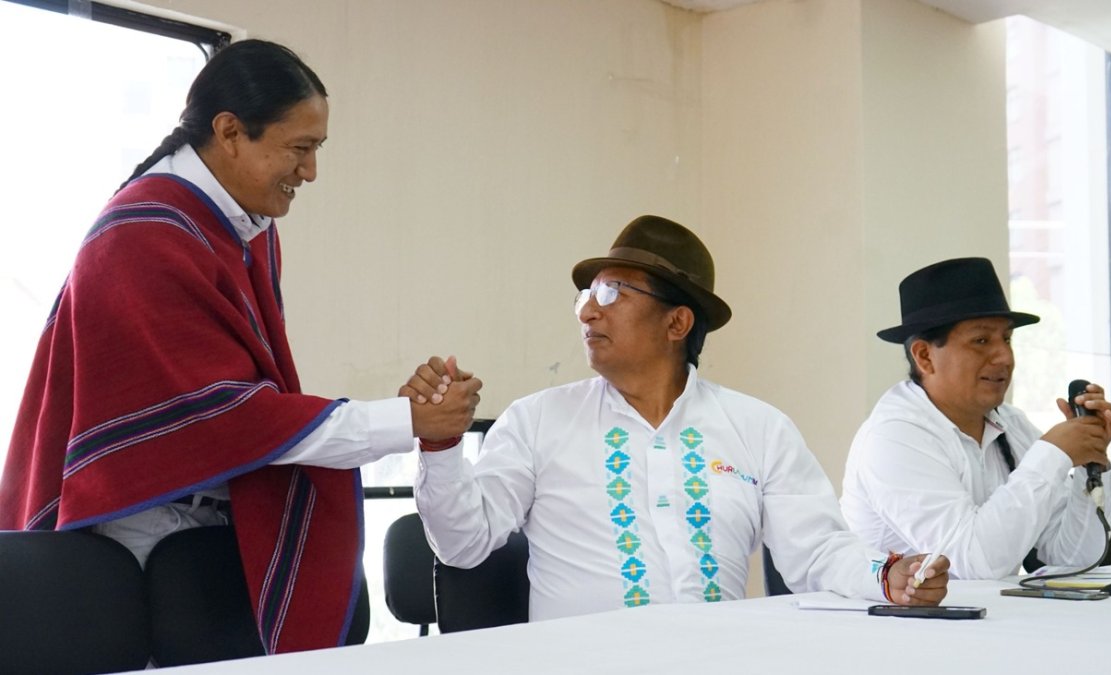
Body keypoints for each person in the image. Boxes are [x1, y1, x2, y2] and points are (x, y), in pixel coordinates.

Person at [0, 40, 480, 653]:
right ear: (230, 132)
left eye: (318, 150)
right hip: (136, 543)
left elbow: (246, 407)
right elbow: (221, 416)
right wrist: (405, 421)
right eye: (300, 149)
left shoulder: (246, 228)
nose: (310, 172)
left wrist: (405, 420)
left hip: (209, 523)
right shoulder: (142, 235)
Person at [407, 215, 948, 621]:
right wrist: (441, 446)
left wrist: (887, 576)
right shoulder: (537, 422)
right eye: (587, 296)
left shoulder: (758, 428)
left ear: (678, 322)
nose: (589, 311)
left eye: (612, 293)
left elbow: (817, 553)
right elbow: (463, 544)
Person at [841, 257, 1111, 580]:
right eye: (981, 341)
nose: (1004, 356)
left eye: (1007, 339)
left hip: (986, 622)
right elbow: (972, 565)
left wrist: (1089, 461)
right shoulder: (894, 437)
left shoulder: (1010, 424)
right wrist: (1053, 454)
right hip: (893, 626)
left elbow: (1072, 558)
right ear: (925, 356)